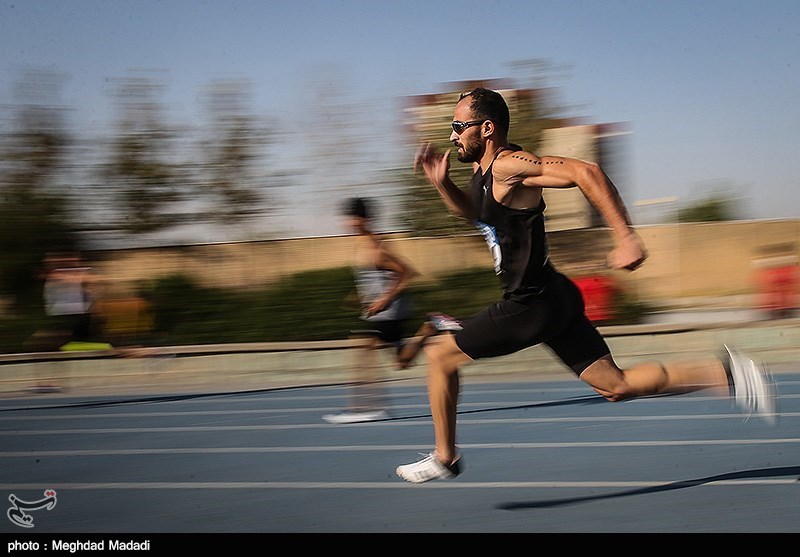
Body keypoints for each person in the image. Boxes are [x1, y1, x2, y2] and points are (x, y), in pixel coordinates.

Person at [396, 87, 778, 483]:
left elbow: (586, 172)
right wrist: (442, 184)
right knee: (616, 386)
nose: (453, 135)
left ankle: (445, 457)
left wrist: (625, 237)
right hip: (554, 295)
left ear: (487, 128)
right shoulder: (482, 172)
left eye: (459, 126)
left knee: (440, 355)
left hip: (529, 304)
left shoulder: (510, 165)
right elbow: (477, 213)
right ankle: (729, 373)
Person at [323, 197, 422, 423]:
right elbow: (371, 278)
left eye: (351, 217)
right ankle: (428, 330)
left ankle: (362, 408)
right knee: (402, 361)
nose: (347, 222)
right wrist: (357, 296)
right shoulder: (364, 243)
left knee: (360, 351)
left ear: (363, 219)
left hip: (387, 311)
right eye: (346, 218)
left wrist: (383, 299)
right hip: (380, 311)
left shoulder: (376, 248)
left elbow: (406, 273)